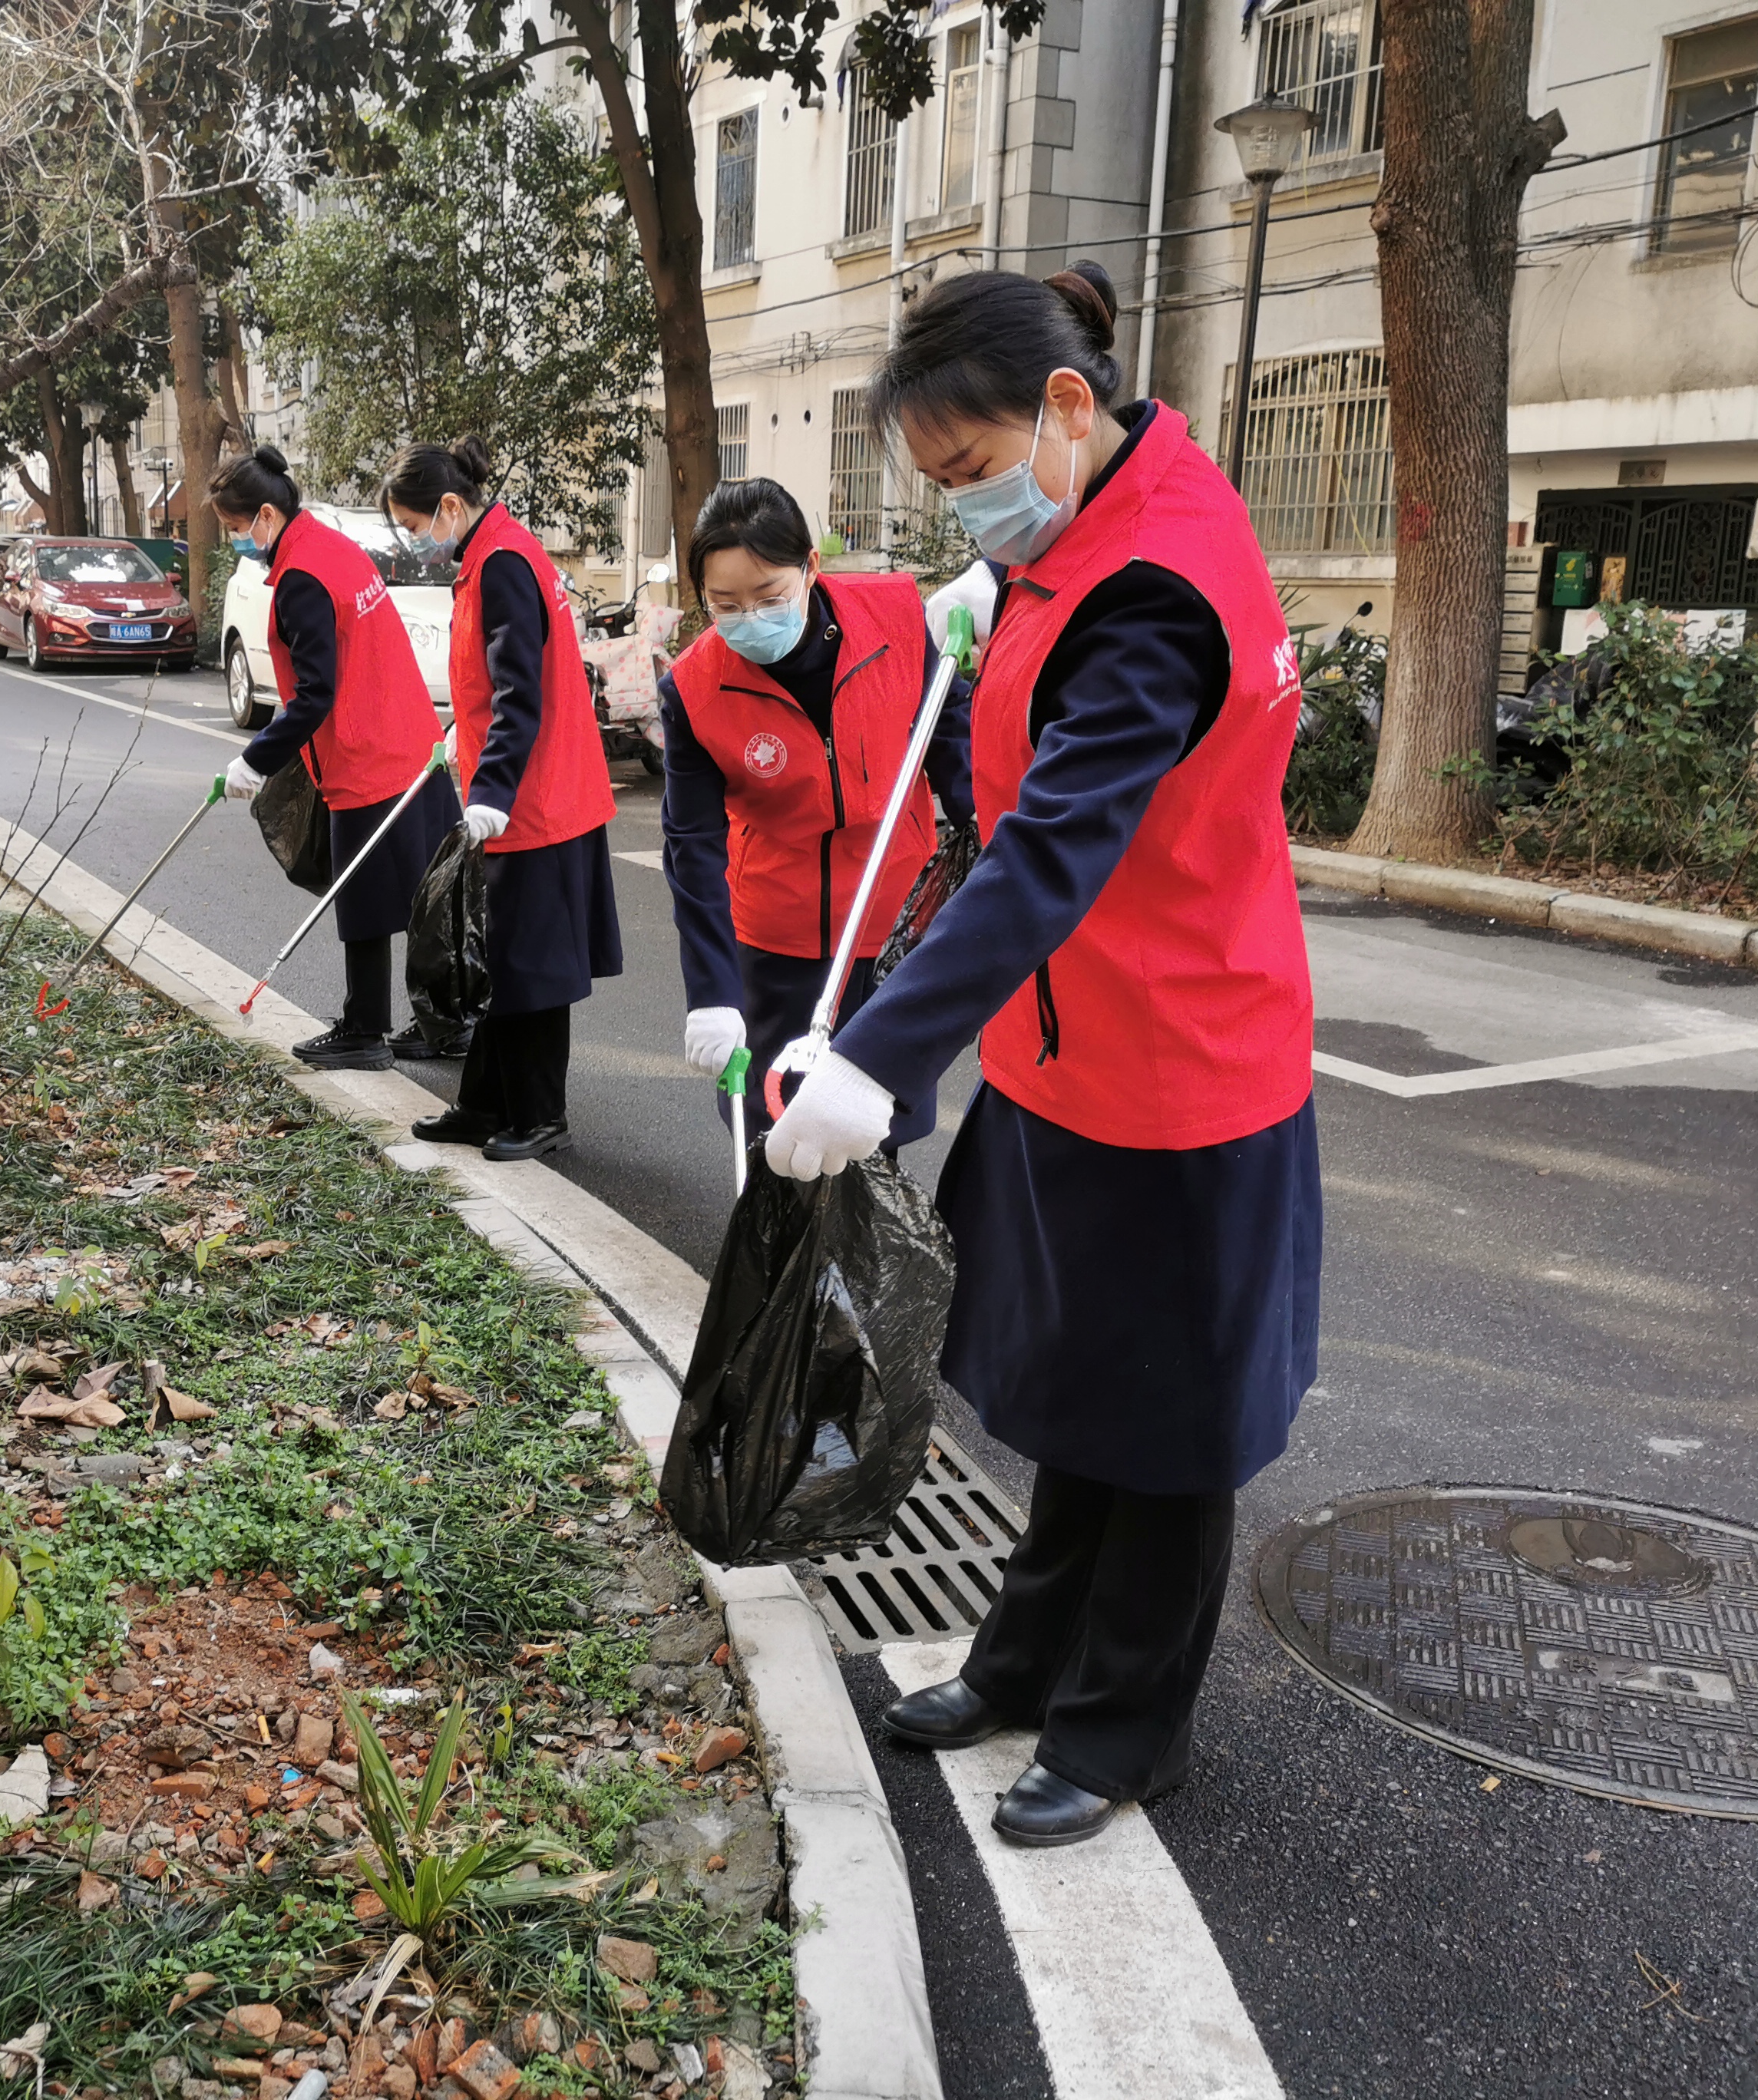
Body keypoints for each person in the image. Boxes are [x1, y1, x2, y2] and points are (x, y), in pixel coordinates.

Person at [758, 264, 1321, 1848]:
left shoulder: (1154, 588)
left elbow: (1050, 853)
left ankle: (1127, 1727)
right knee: (1078, 1398)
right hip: (1075, 1050)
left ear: (1064, 410)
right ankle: (1020, 1665)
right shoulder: (1088, 528)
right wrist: (998, 604)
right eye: (937, 490)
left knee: (1166, 1428)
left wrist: (876, 1051)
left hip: (1182, 1070)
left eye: (966, 476)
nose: (964, 513)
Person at [657, 478, 973, 1144]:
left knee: (878, 1108)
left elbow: (948, 733)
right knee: (775, 1111)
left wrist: (990, 832)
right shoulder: (693, 690)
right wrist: (711, 991)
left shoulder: (892, 616)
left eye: (769, 596)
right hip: (779, 928)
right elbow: (693, 846)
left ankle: (858, 1243)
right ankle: (779, 1243)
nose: (750, 618)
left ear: (810, 568)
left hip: (892, 919)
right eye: (725, 604)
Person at [380, 438, 621, 1161]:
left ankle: (542, 1116)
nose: (418, 542)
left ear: (449, 507)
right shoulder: (495, 555)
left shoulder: (504, 565)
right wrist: (462, 735)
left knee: (532, 967)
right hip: (524, 793)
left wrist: (491, 789)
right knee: (504, 958)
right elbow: (497, 682)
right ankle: (484, 1103)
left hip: (536, 802)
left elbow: (523, 693)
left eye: (418, 528)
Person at [212, 445, 459, 1070]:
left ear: (266, 516)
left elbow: (315, 691)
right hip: (409, 736)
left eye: (237, 530)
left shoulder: (300, 579)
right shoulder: (330, 545)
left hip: (364, 752)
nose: (238, 541)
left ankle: (364, 1030)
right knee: (428, 891)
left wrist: (257, 759)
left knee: (364, 900)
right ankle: (447, 1020)